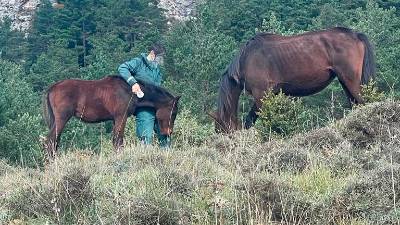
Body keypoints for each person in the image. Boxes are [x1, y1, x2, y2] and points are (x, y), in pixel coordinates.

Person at [118, 43, 170, 148]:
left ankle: (167, 159)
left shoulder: (157, 70)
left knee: (165, 135)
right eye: (160, 57)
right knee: (145, 137)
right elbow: (122, 68)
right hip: (143, 107)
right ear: (152, 53)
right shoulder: (138, 62)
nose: (162, 61)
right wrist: (133, 83)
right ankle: (144, 160)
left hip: (158, 107)